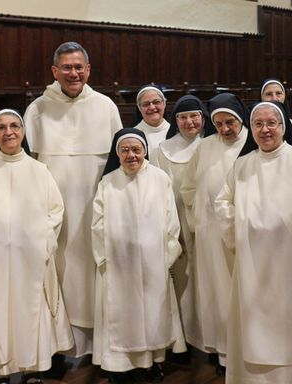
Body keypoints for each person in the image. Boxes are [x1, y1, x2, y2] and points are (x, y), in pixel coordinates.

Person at [0, 110, 74, 383]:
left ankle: (33, 369)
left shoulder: (39, 170)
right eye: (2, 128)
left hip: (31, 258)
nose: (8, 132)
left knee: (31, 310)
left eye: (14, 126)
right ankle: (1, 369)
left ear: (22, 131)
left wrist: (40, 240)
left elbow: (56, 211)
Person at [215, 101, 292, 383]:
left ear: (283, 126)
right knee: (253, 325)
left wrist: (289, 235)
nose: (265, 130)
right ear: (251, 128)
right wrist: (242, 230)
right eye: (258, 124)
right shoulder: (242, 164)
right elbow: (223, 203)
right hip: (252, 259)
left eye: (272, 124)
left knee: (290, 325)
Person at [24, 41, 123, 357]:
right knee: (60, 271)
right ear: (54, 71)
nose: (73, 73)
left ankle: (102, 348)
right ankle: (60, 347)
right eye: (66, 67)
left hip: (95, 205)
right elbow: (27, 162)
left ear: (88, 70)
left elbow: (119, 161)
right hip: (54, 211)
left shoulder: (105, 106)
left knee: (96, 272)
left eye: (79, 67)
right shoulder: (38, 109)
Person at [91, 128, 184, 383]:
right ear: (117, 153)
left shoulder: (160, 178)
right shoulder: (108, 182)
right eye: (125, 150)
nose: (131, 155)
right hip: (118, 265)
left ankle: (151, 363)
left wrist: (164, 257)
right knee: (120, 314)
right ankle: (118, 367)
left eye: (136, 150)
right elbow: (97, 224)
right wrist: (108, 257)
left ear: (144, 151)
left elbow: (171, 222)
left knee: (153, 314)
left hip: (153, 263)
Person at [179, 92, 248, 374]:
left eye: (230, 122)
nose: (224, 129)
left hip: (243, 233)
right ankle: (221, 351)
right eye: (218, 124)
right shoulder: (205, 147)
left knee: (241, 292)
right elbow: (188, 188)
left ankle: (243, 350)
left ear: (241, 119)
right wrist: (202, 217)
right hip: (210, 234)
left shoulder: (252, 144)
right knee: (215, 294)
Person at [149, 95, 213, 362]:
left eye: (194, 116)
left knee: (210, 281)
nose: (189, 122)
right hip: (176, 223)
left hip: (208, 223)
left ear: (202, 118)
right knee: (181, 282)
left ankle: (209, 337)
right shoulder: (162, 150)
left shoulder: (213, 145)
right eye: (183, 118)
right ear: (175, 121)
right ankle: (182, 341)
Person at [131, 85, 171, 153]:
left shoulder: (176, 132)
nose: (152, 107)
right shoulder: (132, 136)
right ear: (139, 108)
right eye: (146, 104)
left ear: (164, 104)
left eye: (156, 102)